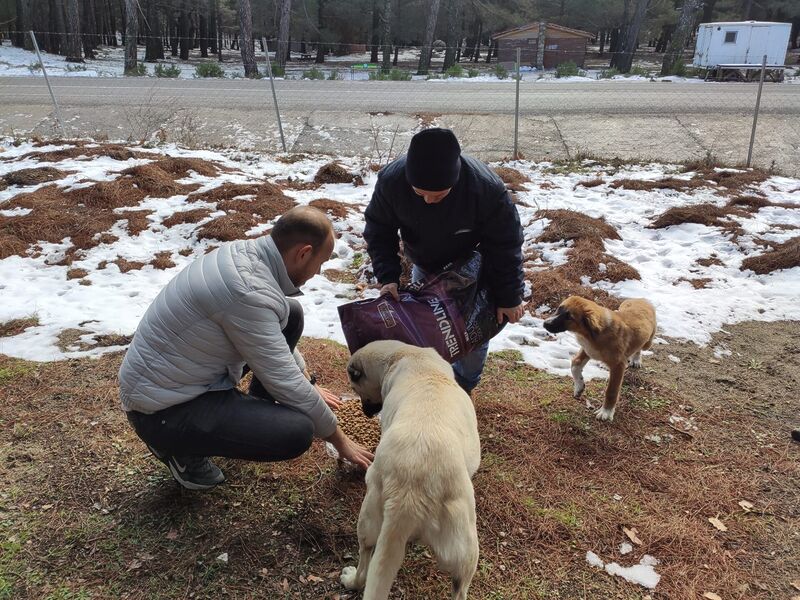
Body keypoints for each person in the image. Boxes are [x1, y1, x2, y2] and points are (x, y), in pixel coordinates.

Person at [119, 206, 373, 490]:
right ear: (303, 253)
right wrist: (341, 440)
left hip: (176, 374)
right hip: (162, 409)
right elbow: (283, 377)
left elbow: (270, 342)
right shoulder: (248, 291)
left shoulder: (247, 255)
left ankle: (253, 411)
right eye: (321, 263)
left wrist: (307, 384)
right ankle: (179, 451)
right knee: (298, 432)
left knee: (291, 313)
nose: (319, 271)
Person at [364, 128, 525, 394]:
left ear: (456, 179)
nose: (428, 201)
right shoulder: (391, 182)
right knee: (429, 327)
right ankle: (431, 380)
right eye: (420, 193)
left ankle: (463, 387)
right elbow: (379, 231)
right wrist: (388, 277)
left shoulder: (484, 188)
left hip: (472, 266)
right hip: (424, 262)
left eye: (438, 195)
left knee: (471, 331)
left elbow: (505, 244)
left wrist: (509, 296)